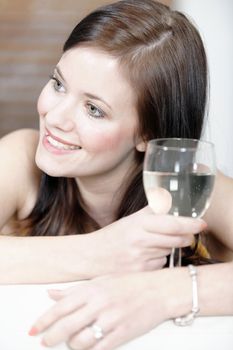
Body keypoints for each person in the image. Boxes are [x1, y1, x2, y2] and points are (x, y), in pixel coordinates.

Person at [0, 0, 232, 348]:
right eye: (58, 84)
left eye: (94, 109)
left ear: (148, 135)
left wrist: (164, 293)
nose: (55, 116)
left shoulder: (189, 187)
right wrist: (100, 251)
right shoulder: (20, 158)